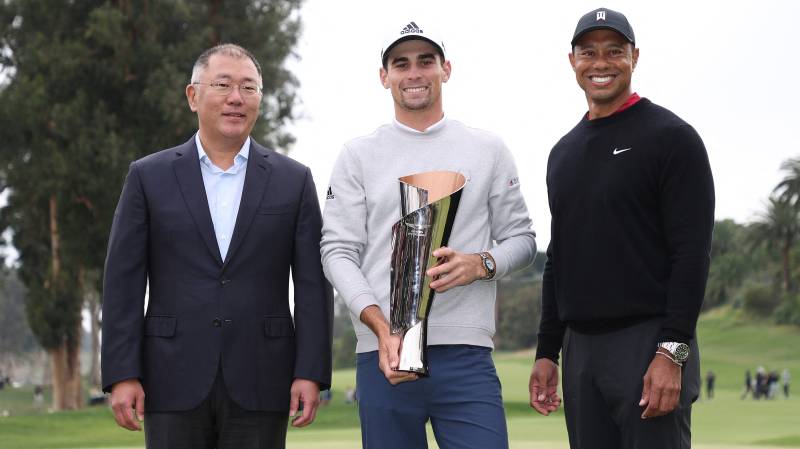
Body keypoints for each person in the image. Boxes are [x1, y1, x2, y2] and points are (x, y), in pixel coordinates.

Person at [101, 44, 333, 449]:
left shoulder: (293, 180)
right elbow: (123, 282)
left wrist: (310, 371)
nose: (236, 98)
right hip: (171, 378)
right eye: (222, 84)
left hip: (264, 376)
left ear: (260, 99)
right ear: (193, 96)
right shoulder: (147, 177)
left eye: (249, 88)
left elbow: (313, 285)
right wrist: (122, 373)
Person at [320, 20, 536, 449]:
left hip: (466, 354)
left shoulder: (488, 149)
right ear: (385, 77)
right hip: (384, 356)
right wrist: (381, 328)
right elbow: (337, 251)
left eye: (426, 61)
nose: (414, 73)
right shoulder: (357, 155)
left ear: (446, 69)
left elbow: (523, 239)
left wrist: (482, 263)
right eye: (401, 64)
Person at [528, 8, 714, 449]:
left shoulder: (672, 138)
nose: (601, 63)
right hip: (581, 352)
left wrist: (672, 352)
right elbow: (560, 257)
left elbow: (692, 256)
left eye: (615, 51)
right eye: (588, 52)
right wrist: (546, 351)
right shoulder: (563, 153)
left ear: (635, 57)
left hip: (647, 343)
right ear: (571, 60)